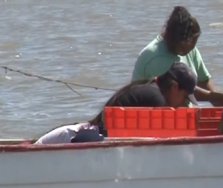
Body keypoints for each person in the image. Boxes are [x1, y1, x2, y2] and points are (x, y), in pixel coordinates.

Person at [34, 62, 199, 144]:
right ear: (175, 87)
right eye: (185, 98)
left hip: (78, 133)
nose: (183, 104)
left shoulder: (149, 87)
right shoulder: (157, 99)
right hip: (75, 139)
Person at [132, 6, 223, 107]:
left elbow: (204, 80)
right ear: (181, 40)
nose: (193, 46)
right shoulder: (156, 57)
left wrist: (222, 105)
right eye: (192, 42)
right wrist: (214, 97)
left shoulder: (190, 50)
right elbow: (183, 90)